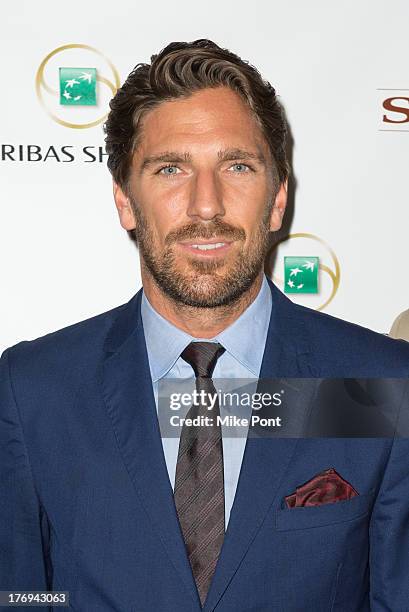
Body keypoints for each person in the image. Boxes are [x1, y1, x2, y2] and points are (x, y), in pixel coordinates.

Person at [1, 39, 409, 612]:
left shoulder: (382, 385)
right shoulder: (34, 388)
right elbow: (18, 595)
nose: (206, 205)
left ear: (277, 200)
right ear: (124, 200)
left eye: (237, 166)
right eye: (171, 169)